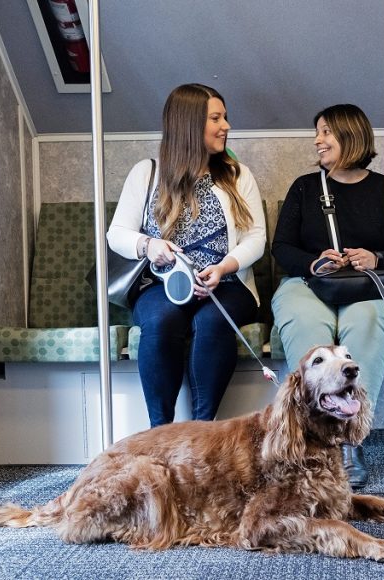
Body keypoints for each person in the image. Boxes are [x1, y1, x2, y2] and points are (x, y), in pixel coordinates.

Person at [270, 104, 384, 488]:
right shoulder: (305, 187)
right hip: (307, 285)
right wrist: (314, 263)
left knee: (368, 321)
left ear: (350, 135)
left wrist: (377, 256)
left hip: (370, 287)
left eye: (325, 132)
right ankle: (310, 435)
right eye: (317, 133)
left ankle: (350, 440)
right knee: (308, 322)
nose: (317, 140)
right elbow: (281, 247)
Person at [107, 83, 266, 427]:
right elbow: (116, 234)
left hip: (227, 282)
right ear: (189, 124)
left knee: (210, 322)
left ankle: (203, 432)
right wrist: (149, 246)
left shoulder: (238, 175)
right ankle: (159, 431)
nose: (226, 126)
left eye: (225, 117)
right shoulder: (146, 173)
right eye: (216, 118)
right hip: (162, 283)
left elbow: (256, 238)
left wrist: (222, 269)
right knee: (161, 323)